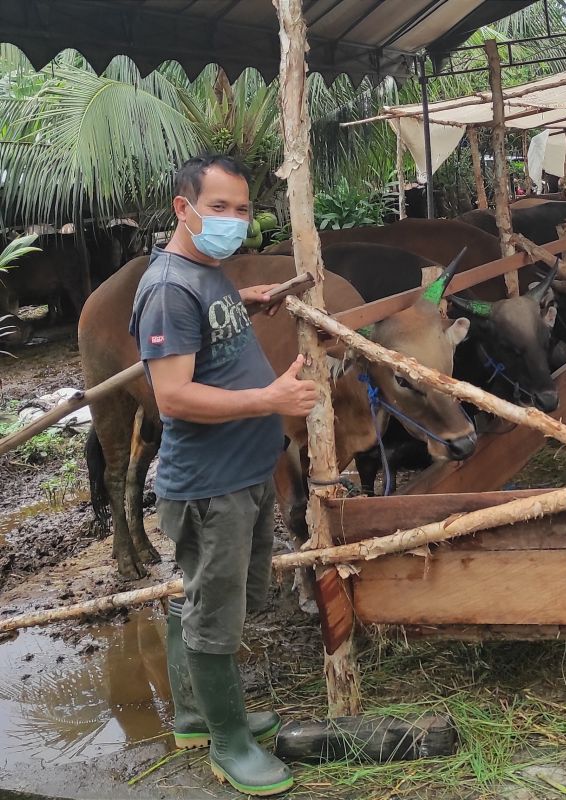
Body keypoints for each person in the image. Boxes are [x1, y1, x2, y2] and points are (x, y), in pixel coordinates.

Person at [130, 154, 316, 796]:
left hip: (242, 472)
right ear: (184, 209)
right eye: (219, 208)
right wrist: (271, 402)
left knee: (208, 598)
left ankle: (192, 715)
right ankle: (228, 743)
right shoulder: (168, 289)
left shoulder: (206, 274)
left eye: (242, 209)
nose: (233, 221)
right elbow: (173, 397)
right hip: (211, 488)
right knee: (215, 614)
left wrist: (246, 297)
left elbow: (201, 322)